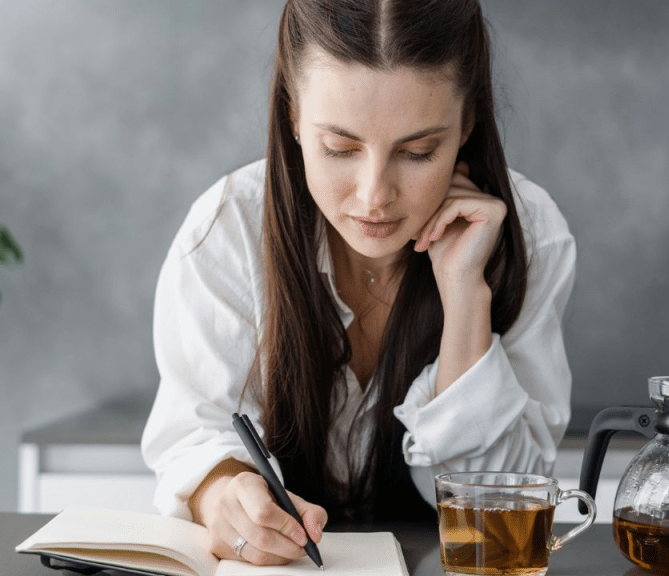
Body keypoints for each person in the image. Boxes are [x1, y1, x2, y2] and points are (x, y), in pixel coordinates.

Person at [141, 0, 576, 567]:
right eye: (340, 149)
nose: (375, 195)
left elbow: (500, 517)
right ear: (293, 114)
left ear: (467, 123)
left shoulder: (532, 236)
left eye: (418, 151)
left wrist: (466, 295)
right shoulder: (228, 229)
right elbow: (195, 438)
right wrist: (225, 493)